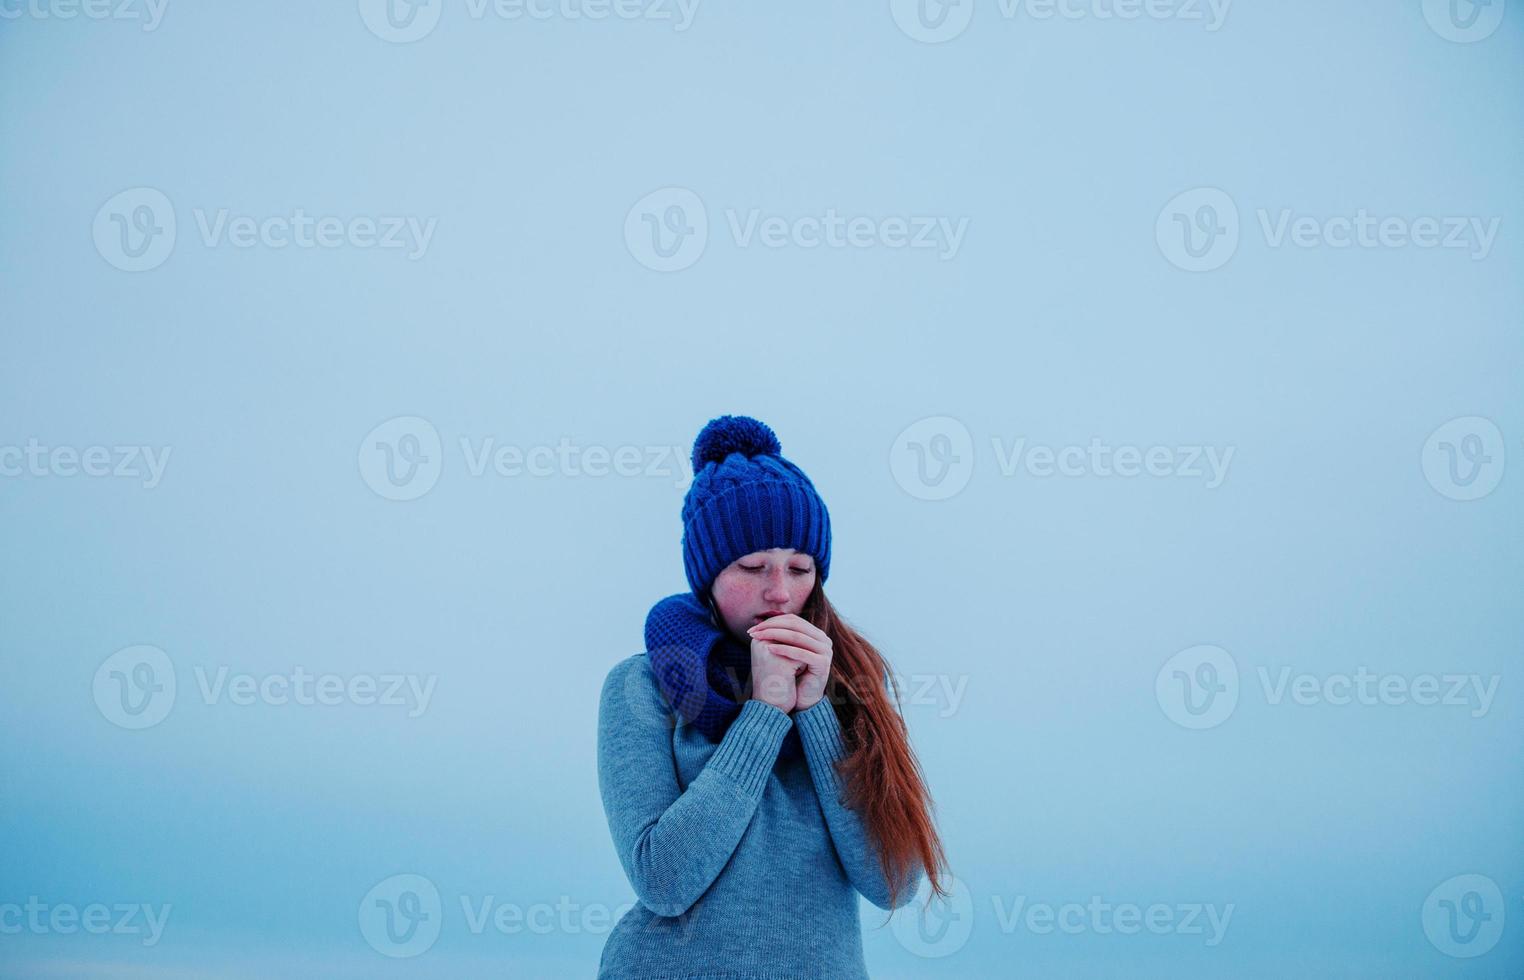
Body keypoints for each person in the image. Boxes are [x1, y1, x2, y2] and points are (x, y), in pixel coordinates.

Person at [596, 414, 950, 979]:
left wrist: (814, 711)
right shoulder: (642, 688)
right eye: (752, 566)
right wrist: (764, 712)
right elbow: (662, 880)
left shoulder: (854, 686)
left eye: (800, 567)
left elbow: (893, 884)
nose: (781, 592)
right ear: (707, 574)